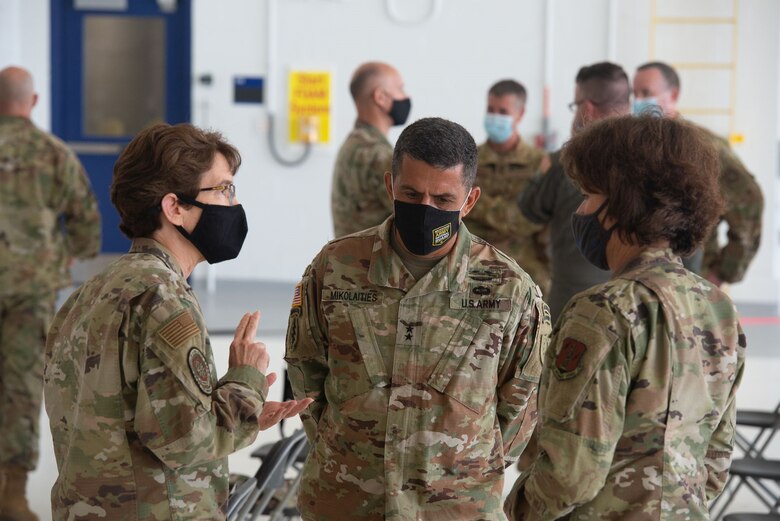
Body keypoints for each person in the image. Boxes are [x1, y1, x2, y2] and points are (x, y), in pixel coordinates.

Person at [286, 117, 551, 520]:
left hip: (455, 509)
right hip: (348, 500)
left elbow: (521, 404)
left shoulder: (507, 288)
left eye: (443, 200)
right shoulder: (337, 267)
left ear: (470, 200)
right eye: (411, 193)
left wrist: (461, 466)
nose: (425, 210)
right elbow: (307, 373)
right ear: (391, 186)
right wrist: (350, 449)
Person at [43, 123, 312, 520]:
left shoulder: (91, 291)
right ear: (174, 208)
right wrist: (244, 381)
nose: (233, 203)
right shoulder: (164, 299)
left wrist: (244, 412)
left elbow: (131, 420)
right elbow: (184, 441)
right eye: (223, 189)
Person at [505, 115, 746, 520]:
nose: (580, 210)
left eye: (588, 195)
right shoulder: (718, 307)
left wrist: (514, 508)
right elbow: (715, 460)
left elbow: (571, 474)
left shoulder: (602, 311)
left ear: (620, 203)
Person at [0, 66, 101, 521]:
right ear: (33, 101)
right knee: (21, 388)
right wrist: (62, 259)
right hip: (32, 289)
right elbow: (86, 222)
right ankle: (13, 494)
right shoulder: (54, 154)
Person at [633, 61, 763, 285]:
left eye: (646, 93)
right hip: (639, 278)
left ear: (673, 94)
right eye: (634, 94)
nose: (638, 101)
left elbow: (749, 200)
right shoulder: (634, 146)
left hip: (690, 283)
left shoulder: (703, 147)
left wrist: (723, 271)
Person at [519, 62, 627, 323]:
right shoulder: (655, 158)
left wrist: (564, 150)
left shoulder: (566, 162)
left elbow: (529, 207)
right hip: (633, 303)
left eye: (575, 105)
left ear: (587, 108)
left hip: (573, 303)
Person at [463, 79, 550, 294]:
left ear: (519, 115)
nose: (495, 116)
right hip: (472, 266)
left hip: (524, 270)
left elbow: (528, 220)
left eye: (503, 111)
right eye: (490, 109)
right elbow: (456, 212)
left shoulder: (539, 163)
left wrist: (474, 202)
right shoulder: (468, 158)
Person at [330, 61, 411, 238]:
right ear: (381, 98)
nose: (405, 96)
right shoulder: (378, 154)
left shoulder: (354, 144)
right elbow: (414, 219)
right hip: (373, 262)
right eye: (400, 88)